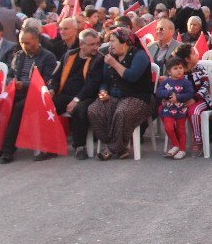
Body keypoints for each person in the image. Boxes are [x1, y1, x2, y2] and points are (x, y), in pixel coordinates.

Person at [0, 27, 59, 164]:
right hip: (17, 91)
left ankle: (7, 150)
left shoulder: (48, 57)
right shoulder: (19, 55)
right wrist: (11, 82)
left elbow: (46, 82)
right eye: (22, 43)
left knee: (17, 108)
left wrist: (23, 85)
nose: (24, 46)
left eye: (27, 43)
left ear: (36, 40)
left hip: (36, 95)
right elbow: (11, 74)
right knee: (0, 105)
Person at [90, 28, 154, 161]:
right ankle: (119, 145)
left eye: (112, 41)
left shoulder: (139, 56)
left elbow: (132, 76)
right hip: (114, 97)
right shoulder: (110, 56)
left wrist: (114, 64)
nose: (110, 45)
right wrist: (103, 91)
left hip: (138, 97)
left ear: (124, 42)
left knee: (122, 112)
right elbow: (104, 81)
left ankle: (111, 148)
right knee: (94, 110)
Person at [55, 29, 105, 160]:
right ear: (82, 45)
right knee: (47, 105)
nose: (96, 47)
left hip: (86, 96)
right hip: (65, 94)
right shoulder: (69, 55)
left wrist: (76, 99)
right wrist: (51, 90)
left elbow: (92, 85)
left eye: (97, 43)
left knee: (79, 109)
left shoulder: (99, 59)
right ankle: (49, 145)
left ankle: (79, 146)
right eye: (92, 44)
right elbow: (56, 76)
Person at [156, 56, 195, 160]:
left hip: (181, 110)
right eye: (175, 68)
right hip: (168, 110)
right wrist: (168, 94)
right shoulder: (166, 82)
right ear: (169, 71)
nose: (179, 70)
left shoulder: (186, 82)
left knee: (181, 129)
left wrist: (177, 97)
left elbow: (190, 93)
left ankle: (182, 150)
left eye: (181, 68)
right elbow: (159, 92)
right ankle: (175, 145)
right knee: (168, 127)